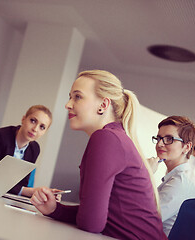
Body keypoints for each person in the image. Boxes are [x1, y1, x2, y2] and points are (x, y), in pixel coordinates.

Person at [30, 70, 166, 239]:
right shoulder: (113, 137)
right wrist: (55, 209)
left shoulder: (106, 138)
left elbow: (91, 223)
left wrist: (59, 211)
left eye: (77, 97)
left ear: (103, 105)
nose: (68, 104)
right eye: (70, 96)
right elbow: (96, 215)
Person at [149, 116, 195, 236]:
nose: (160, 144)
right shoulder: (177, 176)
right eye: (158, 138)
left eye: (169, 139)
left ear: (187, 147)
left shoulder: (181, 181)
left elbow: (146, 220)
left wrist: (145, 174)